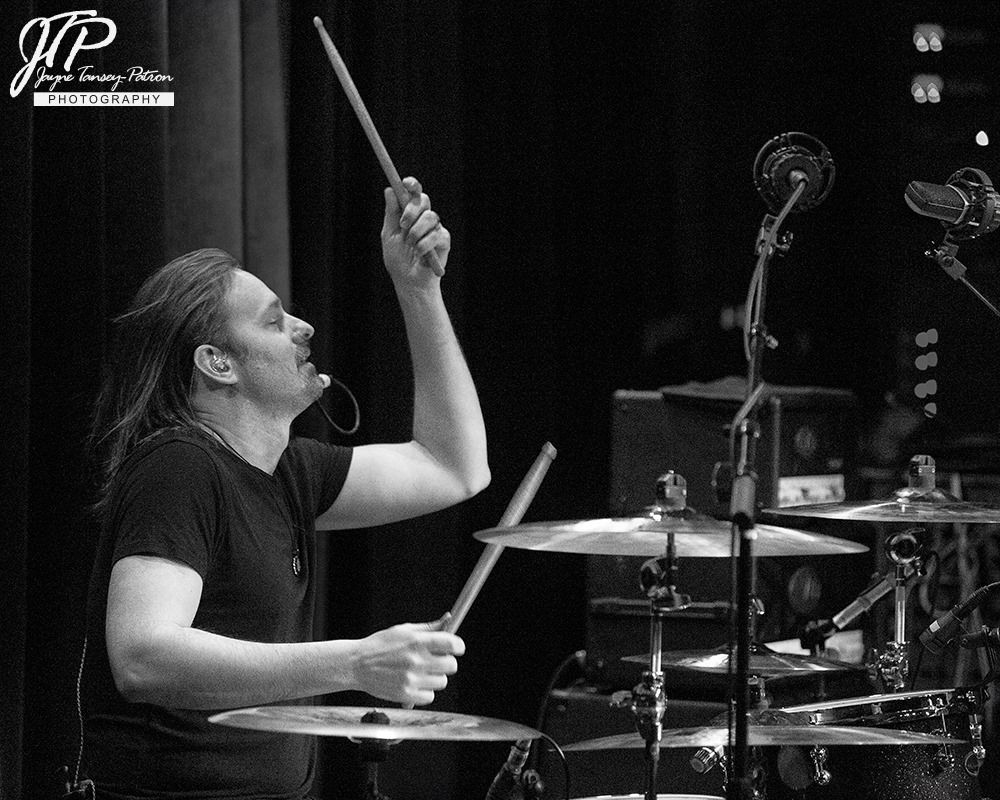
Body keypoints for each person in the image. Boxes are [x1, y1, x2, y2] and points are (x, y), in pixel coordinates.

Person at [80, 177, 490, 799]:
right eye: (275, 322)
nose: (304, 328)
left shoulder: (290, 471)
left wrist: (418, 288)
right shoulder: (179, 467)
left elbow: (454, 466)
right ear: (218, 363)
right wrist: (356, 662)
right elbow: (143, 656)